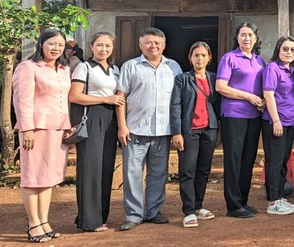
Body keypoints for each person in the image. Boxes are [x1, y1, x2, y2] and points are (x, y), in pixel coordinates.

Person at [116, 27, 183, 231]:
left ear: (164, 45)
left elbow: (179, 99)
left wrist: (177, 129)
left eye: (157, 43)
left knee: (159, 174)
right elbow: (121, 98)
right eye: (148, 42)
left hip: (162, 131)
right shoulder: (131, 66)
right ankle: (134, 214)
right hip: (135, 130)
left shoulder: (173, 67)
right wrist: (122, 126)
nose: (153, 46)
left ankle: (153, 211)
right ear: (140, 45)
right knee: (132, 173)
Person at [13, 28, 72, 242]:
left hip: (57, 129)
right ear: (41, 44)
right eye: (51, 44)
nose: (56, 48)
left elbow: (64, 99)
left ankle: (44, 222)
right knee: (32, 178)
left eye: (60, 45)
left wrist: (67, 124)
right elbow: (22, 100)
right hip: (35, 130)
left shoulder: (64, 69)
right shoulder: (28, 67)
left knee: (48, 178)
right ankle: (33, 224)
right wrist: (27, 129)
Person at [69, 31, 125, 232]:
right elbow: (74, 96)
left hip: (110, 120)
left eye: (108, 46)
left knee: (105, 168)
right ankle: (88, 220)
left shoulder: (115, 70)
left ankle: (101, 216)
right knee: (90, 168)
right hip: (91, 117)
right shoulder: (84, 67)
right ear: (92, 46)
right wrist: (105, 99)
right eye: (99, 45)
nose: (103, 49)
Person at [215, 22, 265, 218]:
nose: (247, 38)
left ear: (256, 38)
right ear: (237, 38)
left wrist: (262, 101)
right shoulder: (229, 58)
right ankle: (233, 205)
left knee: (248, 159)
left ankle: (243, 201)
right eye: (243, 35)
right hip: (234, 114)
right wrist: (249, 97)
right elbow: (221, 87)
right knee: (234, 159)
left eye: (250, 35)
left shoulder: (260, 60)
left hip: (254, 116)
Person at [170, 42, 221, 228]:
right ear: (190, 58)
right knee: (187, 170)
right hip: (189, 130)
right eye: (196, 55)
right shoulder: (182, 79)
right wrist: (177, 132)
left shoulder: (213, 78)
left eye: (203, 55)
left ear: (209, 58)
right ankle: (189, 210)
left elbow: (217, 104)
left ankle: (199, 206)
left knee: (203, 170)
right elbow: (175, 106)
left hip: (209, 129)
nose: (200, 59)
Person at [262, 36, 294, 215]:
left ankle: (279, 195)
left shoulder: (292, 70)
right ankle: (272, 201)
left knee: (283, 158)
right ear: (278, 50)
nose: (289, 52)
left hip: (290, 121)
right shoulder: (272, 68)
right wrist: (276, 120)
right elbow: (268, 95)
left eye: (292, 49)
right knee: (274, 160)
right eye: (285, 49)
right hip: (276, 121)